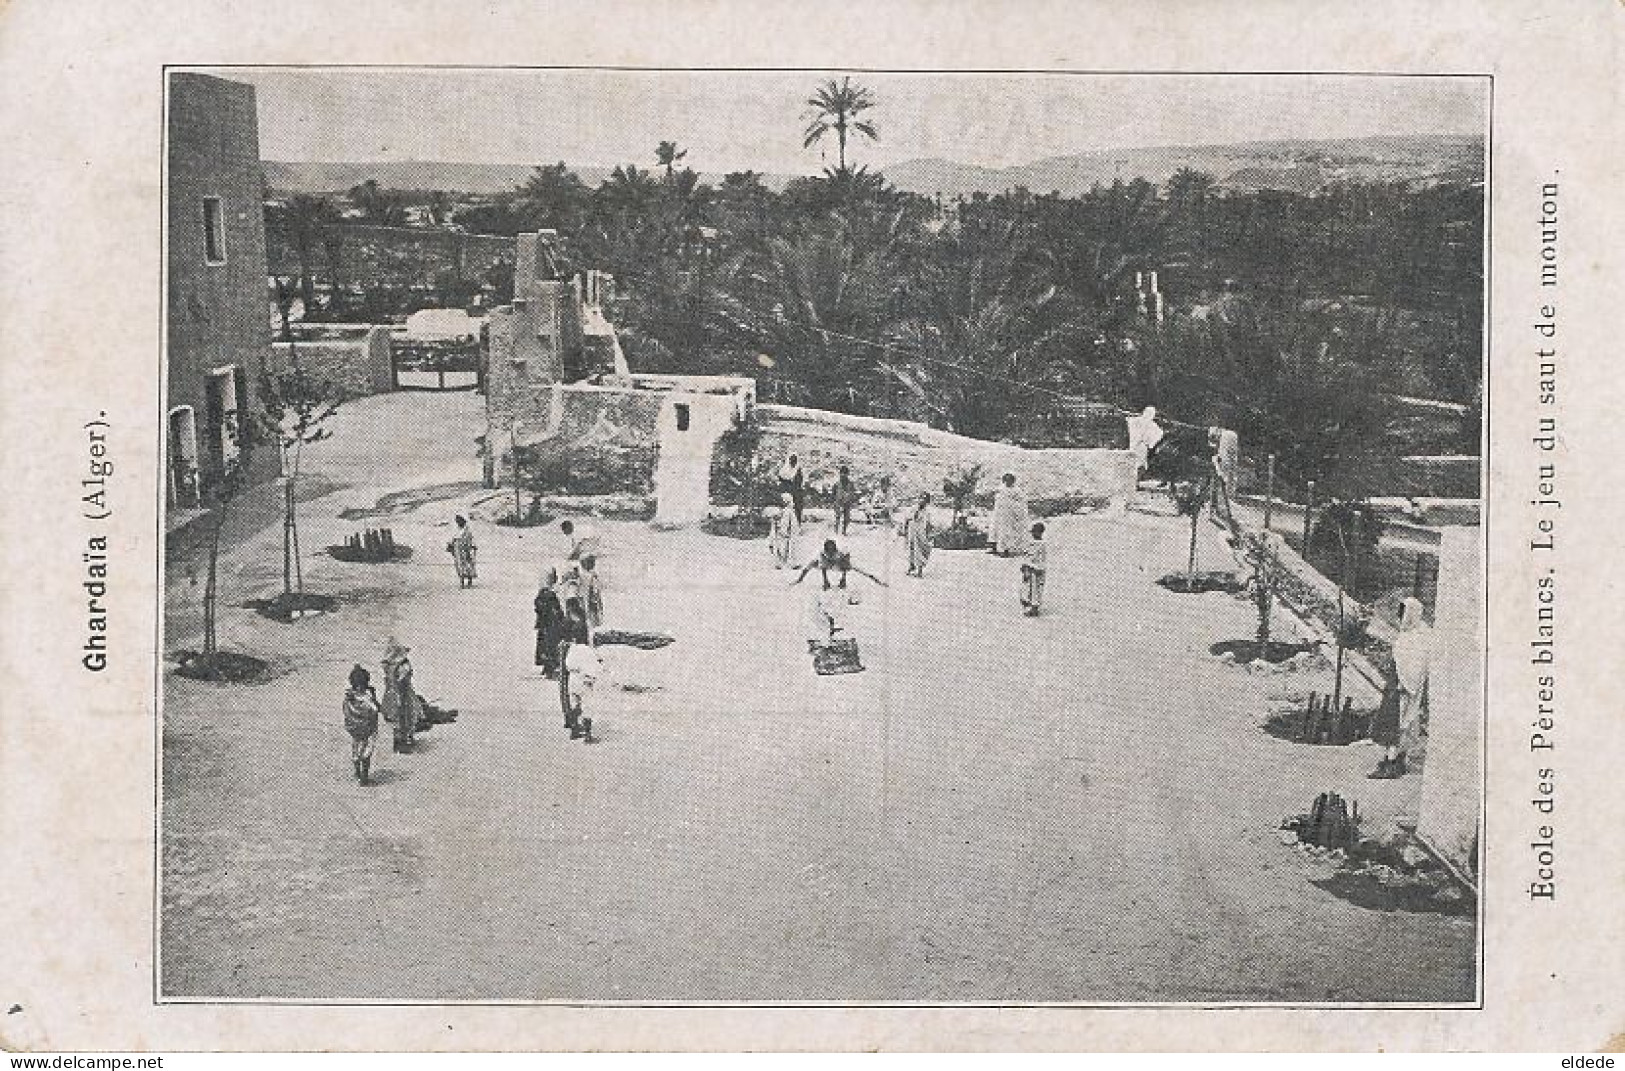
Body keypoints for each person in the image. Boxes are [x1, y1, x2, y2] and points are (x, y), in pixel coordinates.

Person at [1371, 597, 1433, 779]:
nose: (1401, 618)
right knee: (1396, 723)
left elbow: (1419, 665)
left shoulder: (1421, 636)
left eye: (1403, 613)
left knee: (1398, 724)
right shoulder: (1408, 634)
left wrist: (1405, 684)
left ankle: (1392, 763)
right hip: (1396, 683)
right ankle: (1397, 760)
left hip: (1404, 687)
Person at [792, 538, 887, 593]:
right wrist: (800, 579)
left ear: (835, 550)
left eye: (831, 551)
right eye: (828, 551)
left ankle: (877, 580)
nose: (829, 553)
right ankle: (822, 582)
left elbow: (859, 569)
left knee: (858, 568)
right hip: (829, 563)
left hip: (839, 563)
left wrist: (843, 579)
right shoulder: (821, 554)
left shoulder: (842, 552)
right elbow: (808, 568)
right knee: (813, 563)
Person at [380, 637, 422, 754]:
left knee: (395, 718)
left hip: (390, 693)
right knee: (407, 716)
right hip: (403, 694)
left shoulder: (387, 666)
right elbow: (403, 680)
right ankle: (405, 743)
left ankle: (398, 743)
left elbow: (390, 679)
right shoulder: (404, 666)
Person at [342, 664, 382, 785]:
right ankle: (364, 776)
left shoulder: (349, 697)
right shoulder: (367, 697)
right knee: (367, 750)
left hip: (354, 728)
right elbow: (376, 709)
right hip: (368, 728)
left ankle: (357, 772)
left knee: (356, 747)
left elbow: (345, 711)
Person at [533, 567, 566, 677]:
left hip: (545, 624)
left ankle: (547, 666)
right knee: (550, 645)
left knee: (545, 645)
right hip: (550, 625)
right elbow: (554, 609)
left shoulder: (543, 593)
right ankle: (550, 667)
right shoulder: (549, 594)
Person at [990, 472, 1031, 557]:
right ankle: (997, 548)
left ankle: (1009, 550)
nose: (1008, 482)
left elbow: (1022, 503)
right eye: (1006, 481)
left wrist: (1013, 506)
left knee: (1010, 533)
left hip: (1012, 516)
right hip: (1001, 516)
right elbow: (998, 502)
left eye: (1010, 481)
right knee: (999, 532)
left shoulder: (1017, 491)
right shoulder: (1001, 490)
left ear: (1013, 481)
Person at [1209, 426, 1240, 524]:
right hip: (1230, 436)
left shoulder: (1223, 437)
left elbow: (1223, 458)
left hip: (1224, 440)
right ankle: (1224, 507)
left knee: (1223, 482)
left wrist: (1218, 467)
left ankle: (1222, 510)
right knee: (1229, 478)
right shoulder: (1230, 434)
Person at [1126, 407, 1166, 483]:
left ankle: (1135, 482)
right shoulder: (1150, 424)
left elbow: (1129, 420)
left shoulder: (1136, 420)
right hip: (1141, 446)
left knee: (1136, 464)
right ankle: (1135, 482)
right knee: (1140, 465)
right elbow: (1159, 433)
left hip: (1135, 445)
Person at [902, 493, 933, 577]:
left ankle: (920, 570)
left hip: (921, 532)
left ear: (927, 501)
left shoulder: (927, 511)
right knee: (911, 549)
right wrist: (904, 530)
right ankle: (911, 566)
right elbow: (907, 519)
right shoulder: (913, 508)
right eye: (920, 498)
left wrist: (929, 534)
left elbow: (929, 523)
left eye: (924, 499)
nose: (921, 500)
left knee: (921, 550)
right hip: (912, 531)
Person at [1020, 522, 1048, 616]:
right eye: (1033, 532)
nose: (1033, 534)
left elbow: (1042, 559)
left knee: (1036, 589)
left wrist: (1038, 568)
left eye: (1036, 532)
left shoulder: (1042, 545)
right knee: (1027, 587)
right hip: (1029, 568)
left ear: (1040, 533)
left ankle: (1034, 608)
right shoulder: (1030, 543)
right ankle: (1028, 605)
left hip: (1036, 570)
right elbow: (1026, 555)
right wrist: (1024, 566)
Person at [768, 492, 799, 569]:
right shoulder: (788, 512)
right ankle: (788, 563)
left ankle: (781, 563)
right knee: (786, 547)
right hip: (786, 533)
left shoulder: (782, 511)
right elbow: (791, 524)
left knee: (781, 547)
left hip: (782, 533)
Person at [578, 554, 605, 636]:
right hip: (591, 603)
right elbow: (596, 592)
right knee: (590, 624)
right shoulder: (592, 577)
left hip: (583, 602)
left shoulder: (580, 576)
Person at [446, 514, 477, 587]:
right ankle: (462, 582)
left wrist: (473, 546)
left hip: (466, 549)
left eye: (459, 521)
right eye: (457, 522)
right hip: (458, 549)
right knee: (459, 565)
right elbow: (453, 538)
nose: (458, 523)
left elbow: (471, 539)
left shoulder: (467, 530)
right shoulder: (457, 530)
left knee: (468, 564)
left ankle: (469, 581)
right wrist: (450, 545)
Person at [777, 453, 805, 524]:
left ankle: (797, 524)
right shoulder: (785, 469)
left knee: (797, 508)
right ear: (789, 461)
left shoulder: (797, 469)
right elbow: (781, 478)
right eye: (792, 461)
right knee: (786, 510)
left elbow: (799, 481)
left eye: (794, 461)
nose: (793, 463)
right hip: (787, 491)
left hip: (796, 491)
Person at [831, 465, 857, 536]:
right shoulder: (836, 484)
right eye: (842, 473)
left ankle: (844, 531)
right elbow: (833, 494)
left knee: (847, 518)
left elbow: (853, 493)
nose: (843, 475)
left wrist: (852, 500)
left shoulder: (850, 484)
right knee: (837, 517)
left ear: (847, 474)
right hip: (838, 502)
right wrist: (833, 502)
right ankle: (836, 531)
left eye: (845, 473)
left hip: (847, 503)